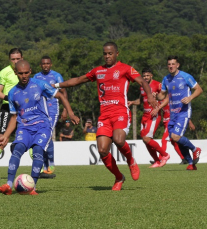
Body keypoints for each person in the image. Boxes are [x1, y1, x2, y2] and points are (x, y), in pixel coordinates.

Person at [53, 42, 158, 191]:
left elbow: (142, 81)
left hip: (121, 112)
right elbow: (77, 80)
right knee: (102, 150)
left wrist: (150, 96)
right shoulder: (98, 71)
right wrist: (56, 86)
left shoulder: (125, 69)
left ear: (116, 54)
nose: (107, 56)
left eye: (110, 53)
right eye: (105, 54)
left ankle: (131, 161)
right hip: (105, 116)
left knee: (119, 139)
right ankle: (119, 177)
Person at [0, 60, 79, 195]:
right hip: (25, 127)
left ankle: (32, 187)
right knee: (17, 149)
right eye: (20, 73)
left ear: (30, 71)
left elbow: (60, 95)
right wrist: (5, 135)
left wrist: (70, 113)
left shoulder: (40, 84)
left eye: (26, 73)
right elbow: (14, 118)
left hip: (42, 126)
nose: (24, 76)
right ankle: (8, 185)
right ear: (16, 73)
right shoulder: (12, 93)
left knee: (38, 151)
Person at [156, 55, 202, 170]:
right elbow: (162, 95)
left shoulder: (185, 76)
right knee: (174, 139)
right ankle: (191, 164)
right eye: (169, 64)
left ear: (177, 65)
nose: (171, 66)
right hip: (173, 114)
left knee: (176, 137)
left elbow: (199, 89)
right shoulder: (166, 79)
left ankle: (195, 149)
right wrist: (156, 96)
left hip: (184, 112)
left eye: (173, 64)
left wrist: (190, 98)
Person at [0, 48, 23, 180]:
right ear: (9, 60)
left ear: (22, 59)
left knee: (30, 136)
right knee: (2, 139)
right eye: (13, 59)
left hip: (24, 110)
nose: (15, 61)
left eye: (18, 58)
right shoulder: (4, 72)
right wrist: (9, 98)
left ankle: (40, 170)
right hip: (7, 109)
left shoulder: (25, 72)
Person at [128, 68, 171, 168]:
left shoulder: (158, 85)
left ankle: (165, 155)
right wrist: (132, 102)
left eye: (147, 75)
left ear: (151, 75)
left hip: (154, 115)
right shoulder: (142, 86)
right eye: (144, 76)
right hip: (145, 115)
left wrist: (158, 108)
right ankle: (157, 161)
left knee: (147, 138)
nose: (145, 77)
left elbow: (167, 98)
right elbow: (141, 100)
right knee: (145, 139)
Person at [32, 56, 68, 174]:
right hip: (40, 110)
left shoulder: (56, 76)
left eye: (47, 63)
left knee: (47, 133)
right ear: (40, 65)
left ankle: (50, 163)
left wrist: (65, 110)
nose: (45, 65)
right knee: (42, 135)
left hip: (53, 109)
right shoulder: (36, 77)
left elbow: (63, 92)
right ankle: (45, 163)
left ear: (51, 64)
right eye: (43, 64)